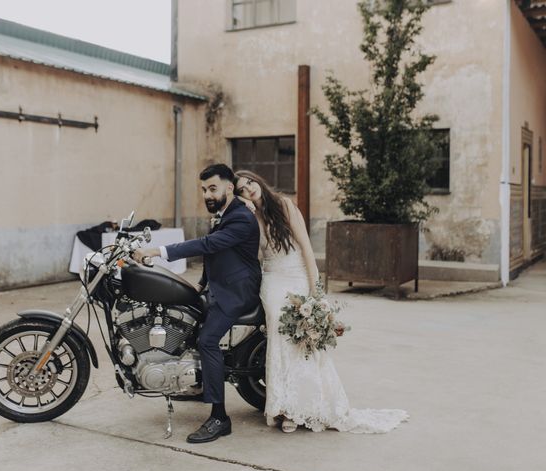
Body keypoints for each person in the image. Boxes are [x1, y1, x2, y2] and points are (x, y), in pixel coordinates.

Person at [235, 170, 409, 434]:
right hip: (273, 281)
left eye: (250, 182)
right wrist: (247, 212)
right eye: (242, 189)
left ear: (258, 181)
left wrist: (315, 290)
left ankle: (303, 407)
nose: (249, 189)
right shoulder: (249, 217)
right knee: (280, 339)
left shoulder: (284, 205)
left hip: (297, 275)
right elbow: (256, 254)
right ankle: (283, 408)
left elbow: (305, 246)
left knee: (305, 341)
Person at [133, 163, 261, 443]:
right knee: (182, 318)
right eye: (204, 189)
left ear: (229, 187)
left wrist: (157, 250)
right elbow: (214, 254)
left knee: (207, 340)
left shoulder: (241, 218)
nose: (207, 194)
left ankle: (219, 418)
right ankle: (199, 383)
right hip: (220, 286)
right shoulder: (224, 212)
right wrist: (201, 285)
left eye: (213, 188)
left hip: (237, 292)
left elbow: (207, 245)